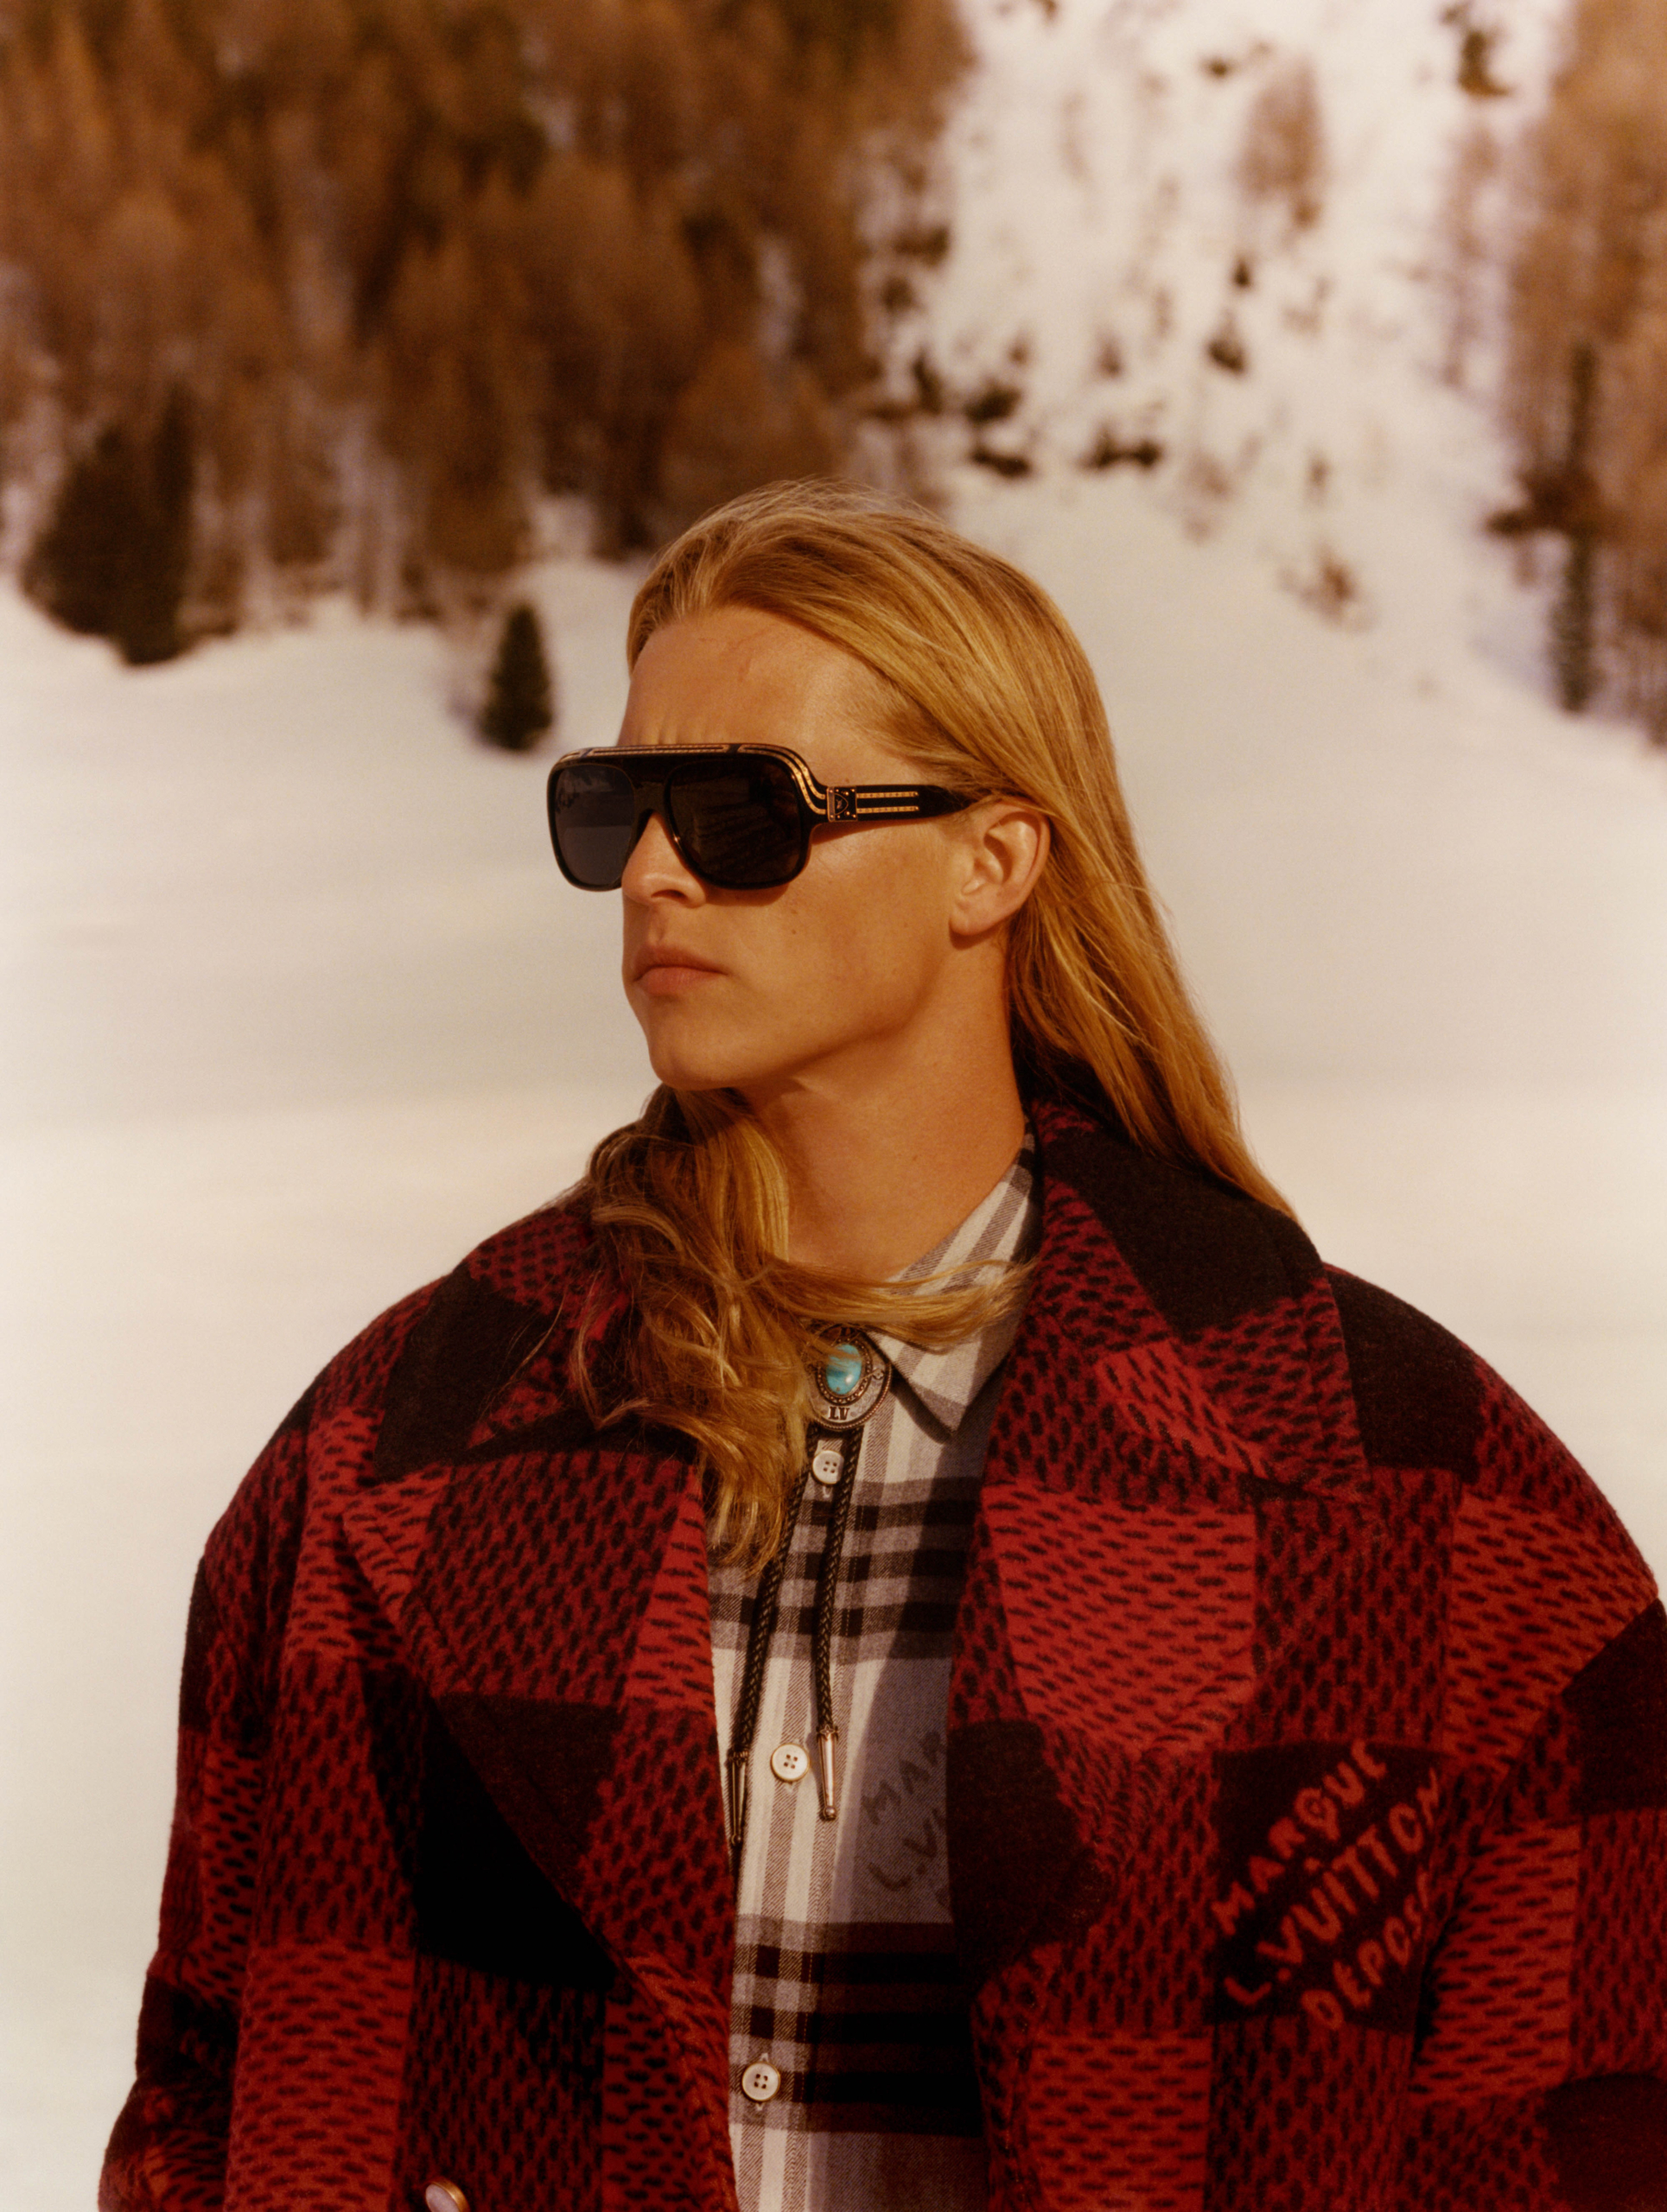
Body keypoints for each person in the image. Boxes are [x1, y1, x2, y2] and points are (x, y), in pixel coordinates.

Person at [102, 482, 1667, 2212]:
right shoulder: (385, 1450)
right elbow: (200, 2110)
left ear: (991, 862)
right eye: (612, 807)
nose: (652, 872)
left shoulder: (1428, 1506)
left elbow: (1582, 2145)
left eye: (741, 813)